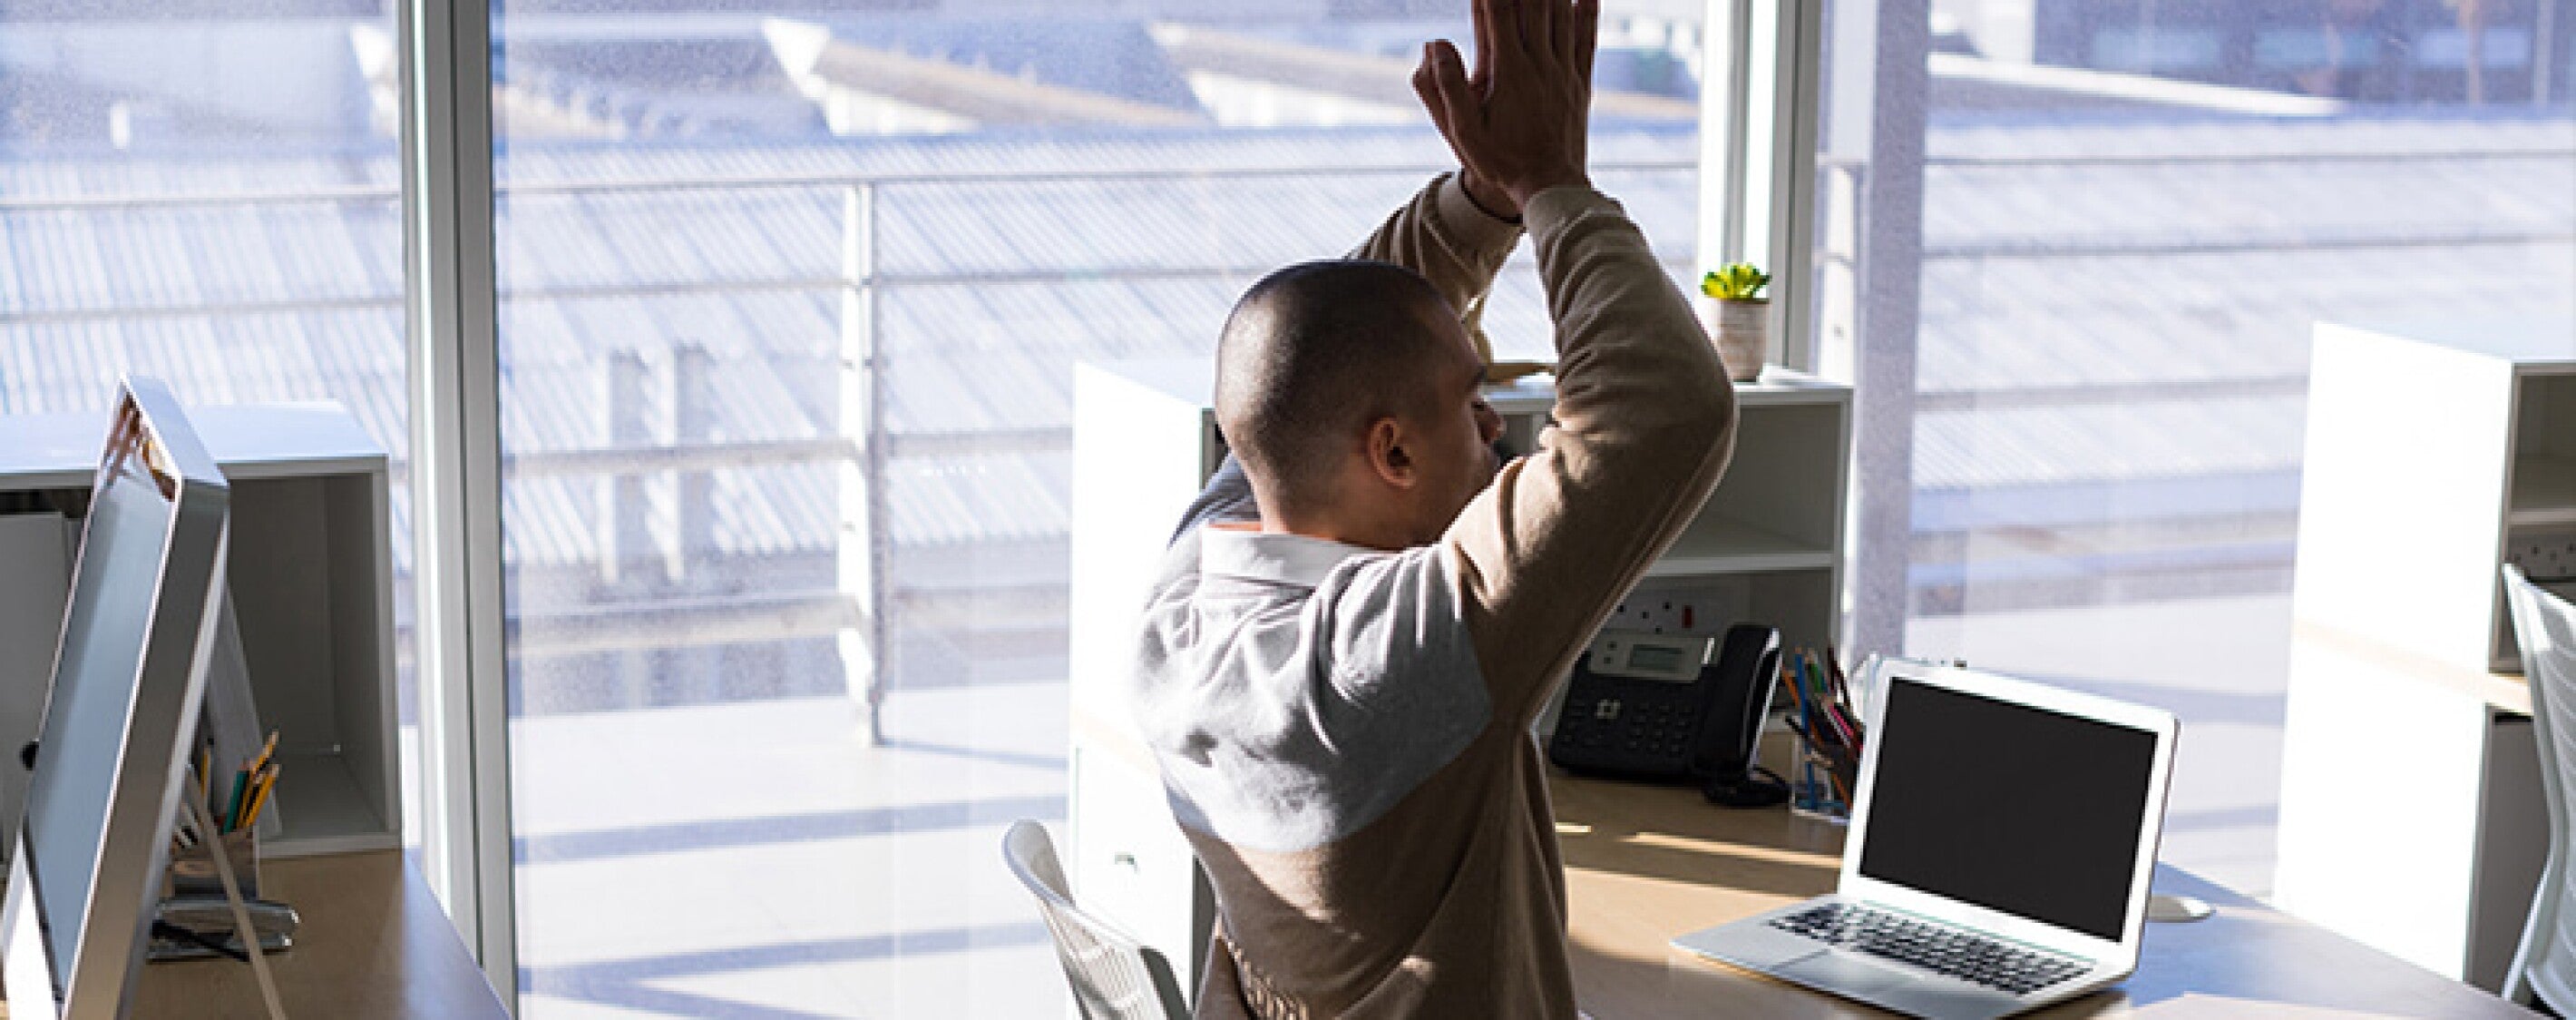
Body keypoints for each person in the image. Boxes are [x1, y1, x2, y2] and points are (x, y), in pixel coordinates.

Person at [1127, 0, 1738, 1013]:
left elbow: (1323, 350)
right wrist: (1552, 186)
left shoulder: (1186, 595)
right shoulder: (1391, 659)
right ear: (1393, 449)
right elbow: (1663, 406)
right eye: (1474, 401)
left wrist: (1483, 200)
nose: (1496, 427)